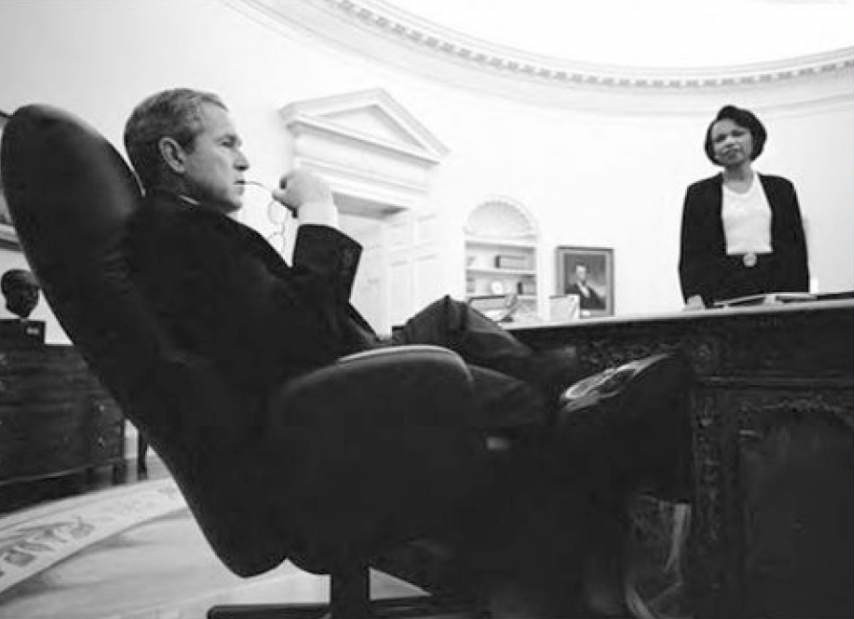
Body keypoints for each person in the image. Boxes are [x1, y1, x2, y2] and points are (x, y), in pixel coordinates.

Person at [123, 88, 691, 617]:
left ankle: (581, 398)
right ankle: (587, 412)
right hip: (330, 401)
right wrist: (321, 213)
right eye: (227, 143)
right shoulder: (175, 234)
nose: (244, 159)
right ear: (174, 154)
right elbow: (297, 342)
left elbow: (283, 329)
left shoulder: (184, 230)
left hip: (338, 375)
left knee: (449, 316)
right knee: (551, 414)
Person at [679, 104, 809, 309]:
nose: (729, 142)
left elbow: (795, 249)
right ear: (713, 150)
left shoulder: (781, 189)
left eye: (737, 134)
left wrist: (798, 296)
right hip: (721, 293)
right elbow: (691, 254)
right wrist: (694, 296)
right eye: (720, 139)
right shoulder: (699, 194)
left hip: (775, 292)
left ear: (753, 138)